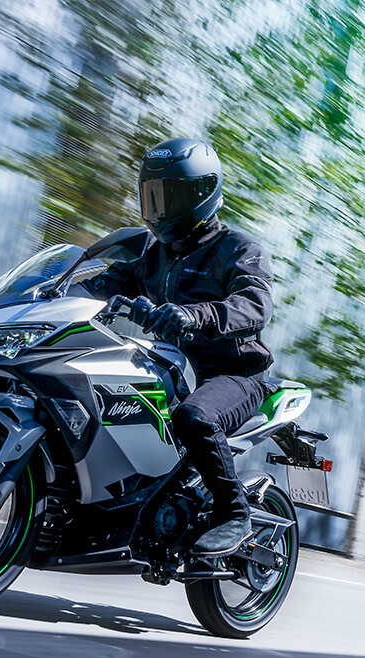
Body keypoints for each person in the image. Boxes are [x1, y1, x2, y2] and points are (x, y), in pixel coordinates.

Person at [83, 137, 274, 556]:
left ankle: (234, 516)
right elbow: (99, 285)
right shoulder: (152, 254)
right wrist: (53, 291)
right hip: (171, 368)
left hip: (233, 375)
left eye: (169, 197)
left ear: (202, 193)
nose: (159, 210)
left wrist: (196, 315)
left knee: (193, 417)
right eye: (152, 197)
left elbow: (255, 305)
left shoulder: (238, 250)